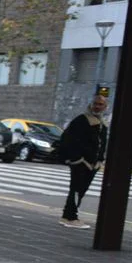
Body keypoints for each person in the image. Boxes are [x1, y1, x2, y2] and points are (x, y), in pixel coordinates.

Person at [56, 91, 109, 228]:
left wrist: (100, 160)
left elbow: (102, 143)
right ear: (91, 105)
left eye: (101, 104)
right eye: (96, 104)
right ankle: (70, 216)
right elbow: (68, 139)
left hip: (93, 164)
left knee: (81, 190)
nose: (97, 107)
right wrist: (77, 158)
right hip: (81, 162)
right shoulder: (82, 120)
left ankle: (69, 215)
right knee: (76, 189)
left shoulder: (102, 123)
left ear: (105, 107)